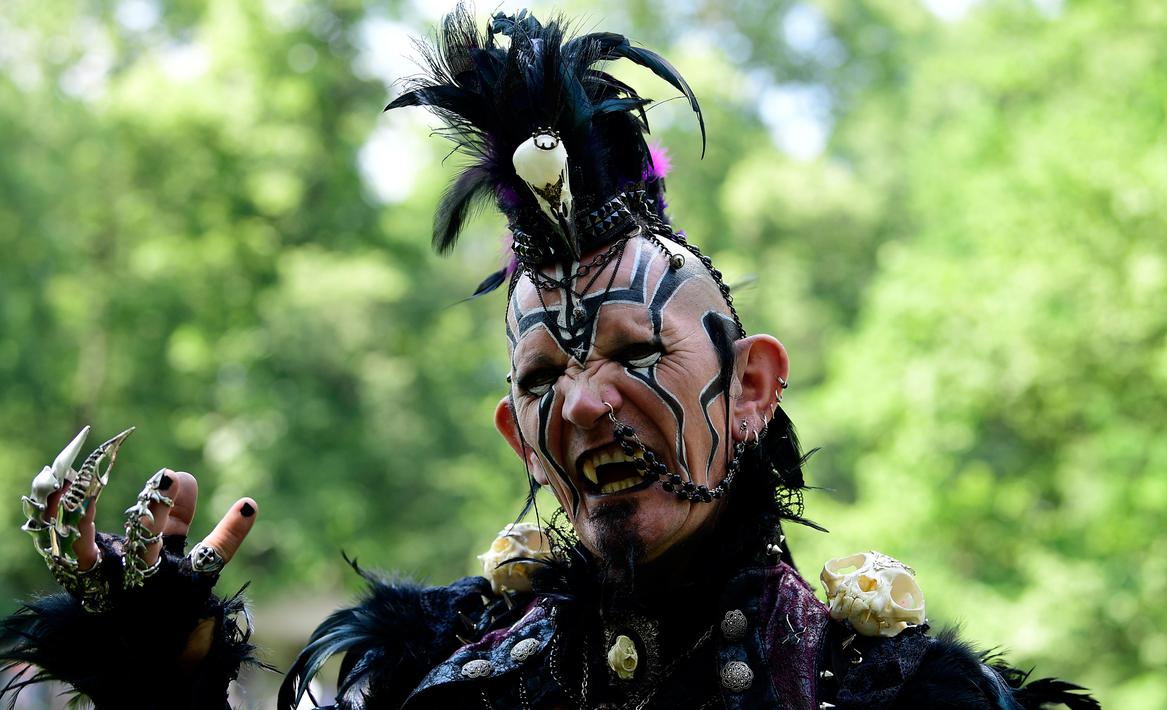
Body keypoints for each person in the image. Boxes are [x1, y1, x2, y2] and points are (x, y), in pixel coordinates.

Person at [1, 7, 1099, 709]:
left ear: (753, 384)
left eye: (631, 348)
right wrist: (163, 666)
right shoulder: (445, 675)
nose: (581, 401)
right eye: (538, 378)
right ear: (515, 432)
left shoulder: (890, 692)